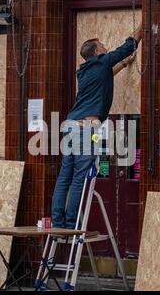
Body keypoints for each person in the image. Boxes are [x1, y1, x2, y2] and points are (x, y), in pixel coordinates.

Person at [52, 23, 143, 230]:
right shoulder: (101, 62)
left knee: (65, 176)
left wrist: (123, 64)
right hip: (85, 129)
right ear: (96, 52)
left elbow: (107, 74)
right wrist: (142, 27)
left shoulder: (84, 72)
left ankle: (58, 223)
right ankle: (71, 225)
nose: (105, 47)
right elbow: (127, 46)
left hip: (70, 126)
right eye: (102, 46)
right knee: (79, 178)